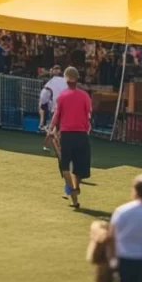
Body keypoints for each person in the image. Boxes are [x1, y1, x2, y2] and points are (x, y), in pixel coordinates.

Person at [48, 66, 92, 210]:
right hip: (81, 134)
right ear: (77, 79)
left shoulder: (61, 97)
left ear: (66, 80)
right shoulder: (85, 96)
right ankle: (76, 188)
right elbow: (89, 114)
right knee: (79, 167)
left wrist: (50, 129)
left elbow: (56, 115)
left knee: (65, 166)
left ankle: (73, 195)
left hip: (66, 135)